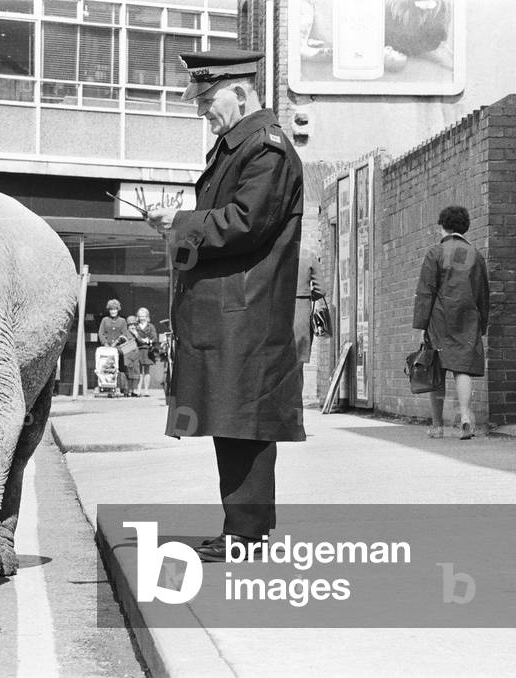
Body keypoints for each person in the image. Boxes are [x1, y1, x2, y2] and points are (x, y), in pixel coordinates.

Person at [146, 49, 306, 562]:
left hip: (248, 310)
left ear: (239, 93)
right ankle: (242, 529)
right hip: (236, 308)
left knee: (245, 422)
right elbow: (232, 220)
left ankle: (247, 534)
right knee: (233, 419)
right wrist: (179, 223)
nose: (203, 112)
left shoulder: (265, 149)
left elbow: (245, 221)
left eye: (209, 101)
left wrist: (182, 223)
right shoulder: (242, 145)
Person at [412, 205, 490, 440]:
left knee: (436, 368)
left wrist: (421, 325)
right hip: (467, 318)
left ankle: (437, 426)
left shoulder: (435, 253)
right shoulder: (476, 255)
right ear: (465, 227)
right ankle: (466, 415)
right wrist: (482, 325)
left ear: (442, 226)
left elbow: (426, 292)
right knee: (462, 368)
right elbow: (483, 293)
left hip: (439, 318)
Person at [294, 246, 325, 365]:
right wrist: (306, 296)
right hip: (301, 315)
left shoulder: (275, 255)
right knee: (297, 364)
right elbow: (321, 290)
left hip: (277, 316)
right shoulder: (308, 256)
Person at [97, 299, 131, 396]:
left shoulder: (122, 321)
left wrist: (117, 343)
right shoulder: (105, 320)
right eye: (111, 309)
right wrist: (105, 344)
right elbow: (101, 333)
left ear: (118, 310)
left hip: (119, 349)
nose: (113, 311)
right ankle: (108, 388)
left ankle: (121, 388)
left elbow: (124, 334)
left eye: (115, 309)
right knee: (108, 368)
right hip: (107, 349)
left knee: (120, 368)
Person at [130, 307, 158, 397]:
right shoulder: (136, 327)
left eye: (144, 316)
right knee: (138, 372)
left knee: (146, 371)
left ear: (147, 316)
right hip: (138, 349)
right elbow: (134, 339)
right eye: (140, 316)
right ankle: (138, 390)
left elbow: (154, 338)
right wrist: (141, 338)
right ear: (138, 317)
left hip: (147, 350)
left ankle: (146, 390)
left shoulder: (151, 326)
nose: (142, 318)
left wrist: (149, 340)